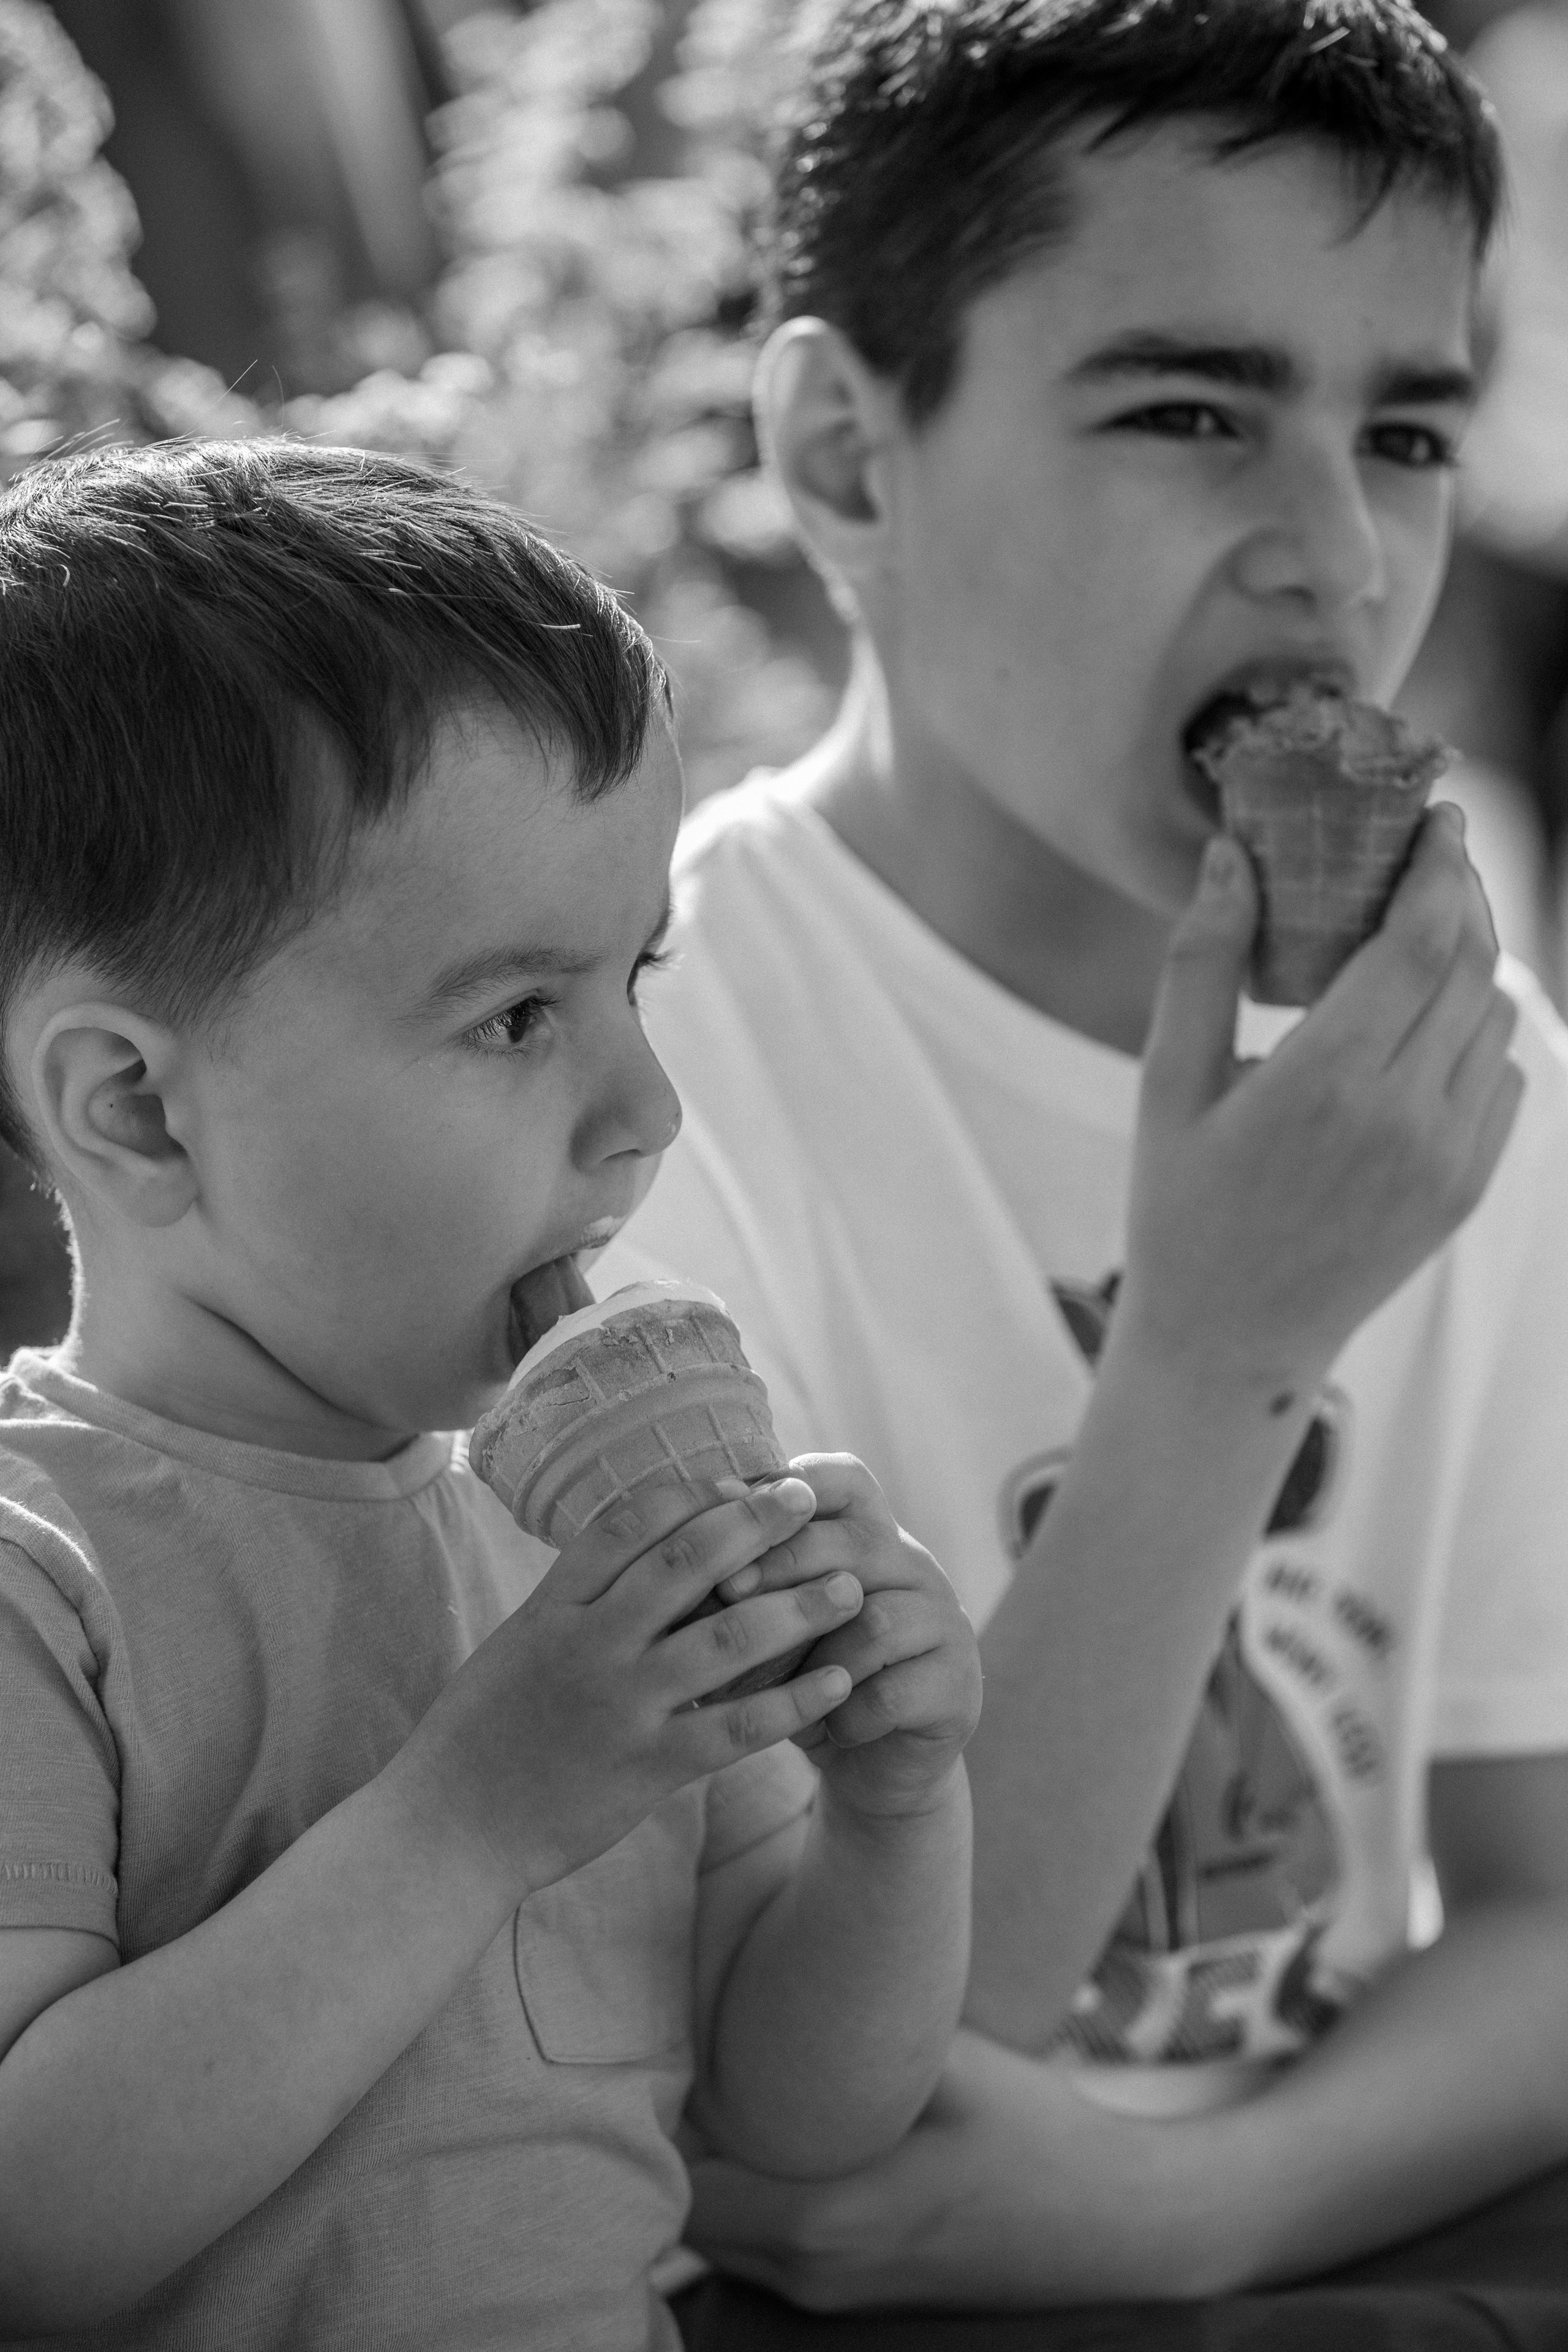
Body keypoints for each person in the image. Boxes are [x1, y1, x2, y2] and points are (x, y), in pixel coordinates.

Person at [595, 0, 1568, 2335]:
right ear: (847, 455)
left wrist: (1198, 2216)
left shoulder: (1463, 1072)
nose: (1334, 557)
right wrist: (1218, 1348)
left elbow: (1544, 1902)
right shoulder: (627, 1090)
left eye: (1409, 430)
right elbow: (834, 2111)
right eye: (1189, 412)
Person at [0, 438, 983, 2349]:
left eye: (639, 980)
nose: (647, 1114)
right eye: (518, 1016)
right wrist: (473, 1810)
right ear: (134, 1105)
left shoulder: (586, 1552)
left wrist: (896, 1811)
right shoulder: (43, 1579)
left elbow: (799, 2115)